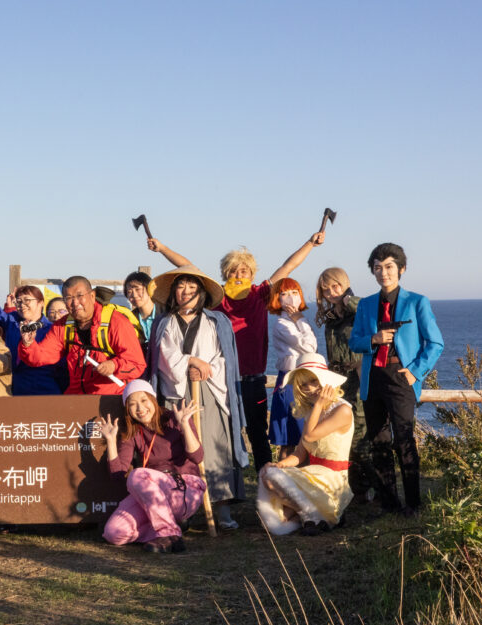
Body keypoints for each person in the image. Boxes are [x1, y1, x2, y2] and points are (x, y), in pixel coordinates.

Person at [148, 224, 326, 471]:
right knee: (225, 429)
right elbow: (188, 267)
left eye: (244, 270)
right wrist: (162, 249)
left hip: (253, 380)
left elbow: (287, 267)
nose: (238, 274)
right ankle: (228, 476)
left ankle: (264, 475)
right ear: (225, 273)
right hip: (221, 379)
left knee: (257, 432)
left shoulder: (260, 294)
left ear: (251, 274)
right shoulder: (216, 297)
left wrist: (310, 243)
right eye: (233, 270)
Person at [148, 266, 247, 529]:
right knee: (178, 450)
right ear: (173, 292)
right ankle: (183, 509)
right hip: (176, 392)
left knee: (214, 447)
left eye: (192, 287)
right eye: (181, 287)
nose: (186, 292)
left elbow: (226, 358)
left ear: (201, 293)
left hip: (210, 390)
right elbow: (164, 357)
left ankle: (221, 509)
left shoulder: (217, 321)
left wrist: (206, 368)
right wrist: (191, 361)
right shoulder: (164, 322)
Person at [349, 243, 443, 516]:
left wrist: (415, 371)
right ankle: (389, 503)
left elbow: (435, 343)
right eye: (377, 268)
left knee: (404, 439)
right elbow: (354, 342)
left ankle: (413, 504)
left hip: (401, 376)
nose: (383, 273)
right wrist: (373, 339)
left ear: (401, 269)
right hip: (373, 378)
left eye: (389, 266)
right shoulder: (365, 304)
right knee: (378, 440)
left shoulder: (417, 302)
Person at [99, 380, 205, 553]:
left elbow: (197, 457)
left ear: (153, 399)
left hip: (185, 489)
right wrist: (111, 441)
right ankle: (169, 526)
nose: (140, 408)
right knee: (114, 533)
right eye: (132, 404)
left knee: (138, 475)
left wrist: (185, 424)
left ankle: (169, 533)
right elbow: (117, 474)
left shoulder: (174, 418)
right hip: (152, 494)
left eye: (144, 400)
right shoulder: (132, 431)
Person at [257, 353, 354, 535]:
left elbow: (309, 437)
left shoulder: (342, 410)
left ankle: (313, 516)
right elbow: (300, 453)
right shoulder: (311, 413)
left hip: (332, 479)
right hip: (313, 474)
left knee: (274, 483)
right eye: (303, 385)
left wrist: (318, 405)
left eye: (314, 381)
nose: (310, 389)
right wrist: (278, 465)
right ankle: (316, 516)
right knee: (269, 480)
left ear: (325, 380)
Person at [19, 276, 146, 395]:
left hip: (111, 398)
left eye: (80, 296)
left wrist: (114, 365)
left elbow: (137, 364)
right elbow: (40, 356)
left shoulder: (116, 322)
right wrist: (28, 344)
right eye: (68, 298)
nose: (75, 303)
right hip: (77, 398)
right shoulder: (62, 326)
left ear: (92, 296)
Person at [314, 267, 372, 497]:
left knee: (360, 432)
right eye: (326, 289)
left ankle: (368, 488)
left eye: (335, 286)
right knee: (341, 435)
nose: (332, 292)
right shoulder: (331, 317)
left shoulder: (357, 309)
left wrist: (349, 300)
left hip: (358, 377)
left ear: (345, 284)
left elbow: (371, 313)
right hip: (337, 380)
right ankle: (352, 488)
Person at [267, 278, 318, 461]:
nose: (291, 297)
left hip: (304, 381)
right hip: (289, 382)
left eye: (295, 292)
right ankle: (284, 476)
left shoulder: (296, 322)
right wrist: (300, 319)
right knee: (289, 439)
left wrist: (300, 320)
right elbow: (310, 348)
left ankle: (302, 476)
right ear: (277, 298)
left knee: (306, 436)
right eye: (284, 293)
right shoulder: (282, 325)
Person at [0, 285, 68, 395]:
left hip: (47, 390)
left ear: (41, 303)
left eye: (27, 300)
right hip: (17, 390)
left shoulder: (52, 330)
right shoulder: (13, 324)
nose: (22, 304)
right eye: (19, 301)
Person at [124, 271, 162, 351]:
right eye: (129, 292)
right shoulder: (129, 318)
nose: (134, 295)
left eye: (138, 289)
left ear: (149, 289)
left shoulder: (166, 313)